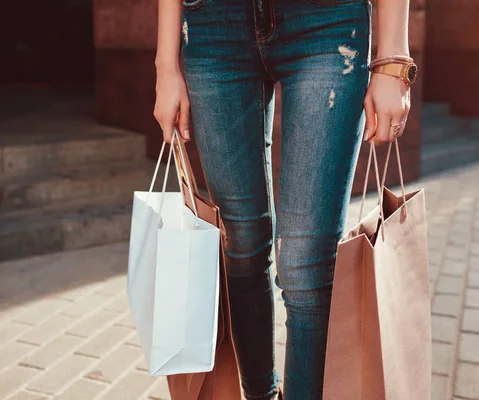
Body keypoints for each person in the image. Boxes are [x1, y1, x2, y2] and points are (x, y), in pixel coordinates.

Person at [154, 0, 414, 398]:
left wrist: (393, 58)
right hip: (212, 24)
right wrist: (165, 65)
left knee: (306, 266)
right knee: (239, 246)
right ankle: (261, 392)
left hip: (326, 25)